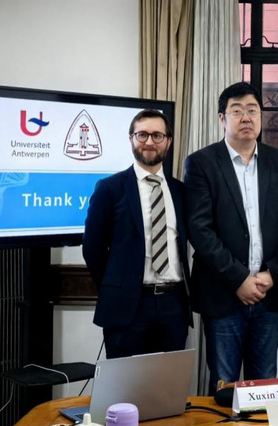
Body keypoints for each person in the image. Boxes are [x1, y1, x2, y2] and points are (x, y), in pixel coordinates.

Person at [184, 82, 278, 395]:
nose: (246, 117)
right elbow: (199, 229)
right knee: (224, 386)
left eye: (252, 110)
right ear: (222, 119)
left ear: (261, 117)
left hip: (269, 294)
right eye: (237, 111)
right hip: (223, 294)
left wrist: (272, 273)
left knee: (263, 387)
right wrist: (239, 279)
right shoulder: (202, 163)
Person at [83, 109, 191, 359]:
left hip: (173, 306)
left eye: (157, 135)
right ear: (131, 139)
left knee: (167, 381)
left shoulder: (181, 191)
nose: (149, 142)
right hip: (127, 306)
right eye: (142, 135)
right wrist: (117, 287)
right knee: (126, 382)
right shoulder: (110, 188)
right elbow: (92, 248)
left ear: (168, 141)